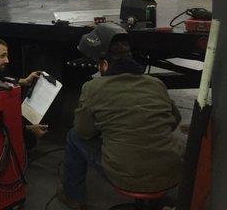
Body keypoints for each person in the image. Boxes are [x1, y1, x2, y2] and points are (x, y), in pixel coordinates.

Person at [58, 23, 183, 210]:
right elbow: (175, 120)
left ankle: (74, 197)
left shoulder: (93, 88)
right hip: (172, 172)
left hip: (128, 177)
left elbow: (84, 131)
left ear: (104, 65)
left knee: (73, 136)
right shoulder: (155, 83)